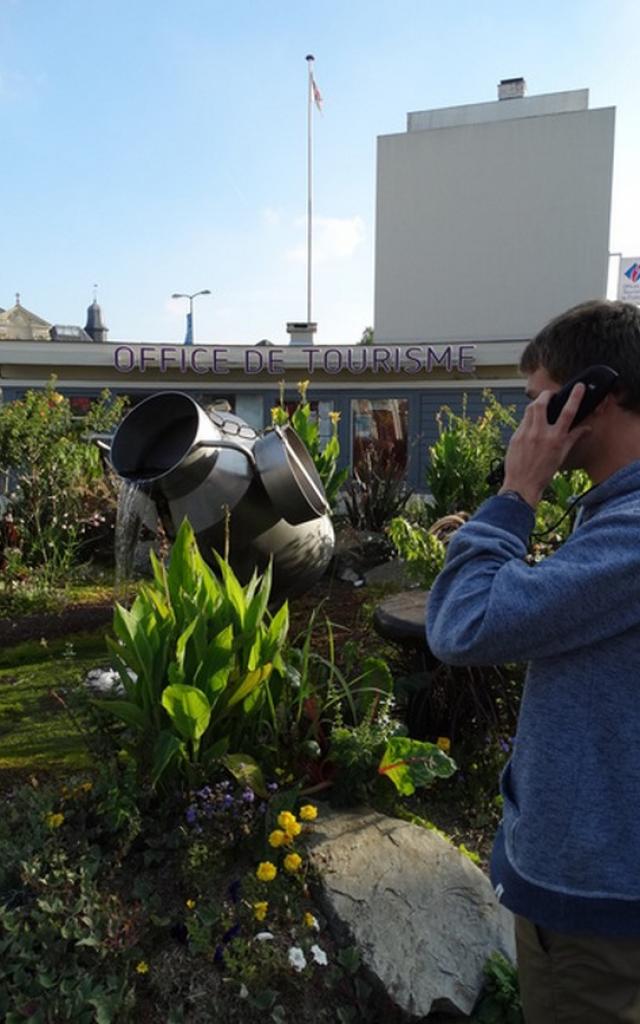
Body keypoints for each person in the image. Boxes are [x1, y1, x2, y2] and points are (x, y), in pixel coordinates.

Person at [426, 299, 640, 1024]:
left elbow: (464, 625)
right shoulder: (612, 519)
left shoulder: (630, 535)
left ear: (592, 397)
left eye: (535, 401)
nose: (524, 423)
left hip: (595, 910)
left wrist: (517, 494)